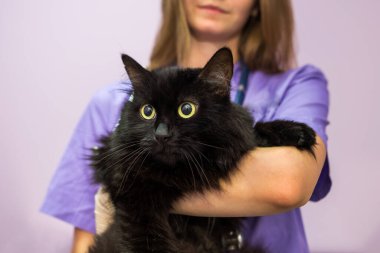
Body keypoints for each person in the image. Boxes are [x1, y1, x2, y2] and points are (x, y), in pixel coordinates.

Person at [41, 0, 331, 252]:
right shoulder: (108, 103)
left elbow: (288, 184)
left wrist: (133, 186)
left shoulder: (299, 84)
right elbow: (84, 243)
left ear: (259, 4)